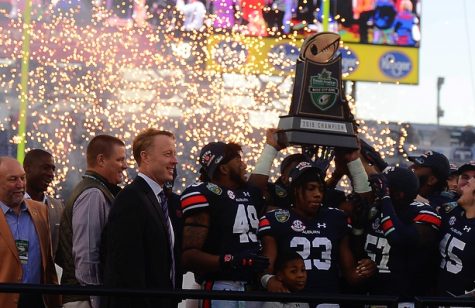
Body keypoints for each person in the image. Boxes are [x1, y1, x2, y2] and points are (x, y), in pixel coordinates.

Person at [258, 161, 376, 299]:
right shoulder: (277, 219)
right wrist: (268, 279)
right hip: (291, 301)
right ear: (296, 190)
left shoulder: (336, 218)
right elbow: (267, 265)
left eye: (320, 189)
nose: (317, 194)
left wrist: (366, 269)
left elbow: (350, 275)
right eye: (311, 188)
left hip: (327, 299)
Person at [180, 141, 269, 308]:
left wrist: (271, 147)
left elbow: (259, 182)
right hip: (221, 287)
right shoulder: (204, 193)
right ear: (223, 168)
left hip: (252, 287)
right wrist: (231, 260)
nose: (243, 164)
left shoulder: (248, 192)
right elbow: (188, 256)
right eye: (238, 160)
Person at [101, 129, 178, 308]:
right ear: (145, 157)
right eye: (168, 154)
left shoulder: (160, 199)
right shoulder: (131, 199)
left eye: (174, 154)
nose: (174, 161)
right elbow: (126, 267)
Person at [55, 135, 127, 308]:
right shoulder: (92, 194)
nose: (125, 165)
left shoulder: (96, 191)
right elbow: (86, 254)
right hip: (84, 299)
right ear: (101, 160)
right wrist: (97, 298)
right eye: (120, 160)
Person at [359, 166, 441, 298]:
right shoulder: (376, 208)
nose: (379, 190)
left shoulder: (423, 212)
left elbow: (397, 238)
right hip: (371, 293)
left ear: (399, 194)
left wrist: (385, 197)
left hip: (404, 297)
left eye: (385, 186)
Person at [0, 157, 60, 308]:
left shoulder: (40, 211)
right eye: (13, 179)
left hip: (37, 300)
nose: (20, 184)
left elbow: (48, 263)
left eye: (23, 178)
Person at [249, 129, 308, 211]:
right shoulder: (272, 191)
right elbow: (254, 191)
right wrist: (271, 148)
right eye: (295, 172)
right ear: (284, 178)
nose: (301, 178)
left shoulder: (316, 194)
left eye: (305, 174)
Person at [437, 177, 475, 296]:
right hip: (437, 296)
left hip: (460, 301)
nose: (461, 187)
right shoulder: (452, 212)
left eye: (467, 185)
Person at [23, 149, 64, 257]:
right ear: (27, 169)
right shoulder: (11, 204)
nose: (51, 174)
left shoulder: (58, 207)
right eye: (45, 168)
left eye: (53, 169)